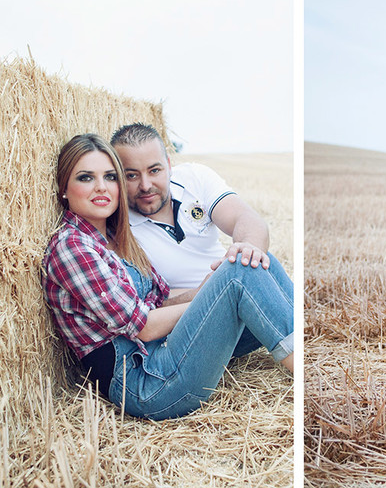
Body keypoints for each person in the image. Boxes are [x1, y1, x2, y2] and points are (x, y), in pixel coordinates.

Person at [42, 134, 294, 420]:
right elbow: (145, 328)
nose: (101, 187)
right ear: (64, 188)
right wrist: (216, 300)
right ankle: (306, 376)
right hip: (148, 385)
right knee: (239, 273)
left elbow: (159, 301)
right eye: (86, 178)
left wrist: (211, 292)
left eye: (110, 177)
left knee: (256, 260)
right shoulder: (72, 248)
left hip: (164, 352)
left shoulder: (114, 236)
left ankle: (298, 339)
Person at [109, 124, 292, 359]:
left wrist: (248, 251)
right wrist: (204, 293)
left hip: (235, 296)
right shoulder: (116, 229)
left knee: (259, 261)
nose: (145, 185)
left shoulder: (194, 177)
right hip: (190, 327)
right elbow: (144, 307)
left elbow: (245, 218)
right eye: (131, 175)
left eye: (154, 170)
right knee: (244, 275)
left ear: (168, 165)